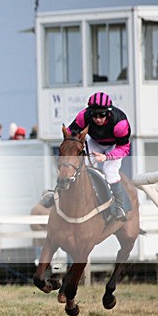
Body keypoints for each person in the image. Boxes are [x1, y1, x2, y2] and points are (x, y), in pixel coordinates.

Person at [42, 92, 132, 222]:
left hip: (115, 146)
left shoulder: (120, 124)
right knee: (80, 168)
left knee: (109, 172)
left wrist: (106, 157)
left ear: (109, 112)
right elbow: (70, 134)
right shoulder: (83, 116)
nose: (98, 118)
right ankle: (56, 193)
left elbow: (124, 148)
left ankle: (119, 207)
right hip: (95, 142)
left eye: (102, 114)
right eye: (94, 114)